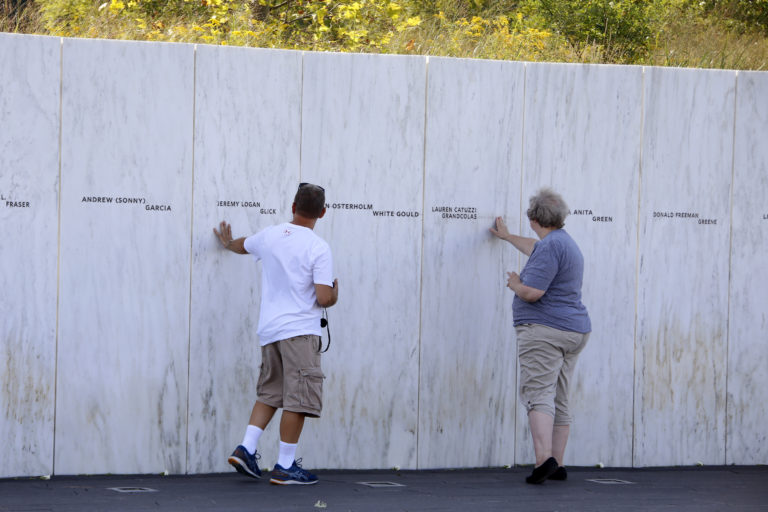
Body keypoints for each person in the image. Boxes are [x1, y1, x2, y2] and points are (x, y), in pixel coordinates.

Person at [213, 182, 338, 485]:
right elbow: (322, 298)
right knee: (298, 399)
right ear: (322, 212)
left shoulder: (270, 235)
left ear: (293, 207)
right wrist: (335, 293)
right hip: (300, 333)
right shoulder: (317, 247)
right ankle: (284, 465)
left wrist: (228, 243)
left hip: (270, 331)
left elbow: (245, 244)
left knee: (270, 393)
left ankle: (247, 448)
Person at [490, 188, 591, 484]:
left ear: (534, 218)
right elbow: (535, 248)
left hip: (545, 332)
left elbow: (533, 293)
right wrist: (508, 237)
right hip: (573, 331)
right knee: (559, 397)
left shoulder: (550, 248)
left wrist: (515, 283)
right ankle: (557, 463)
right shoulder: (564, 243)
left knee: (538, 395)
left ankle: (542, 461)